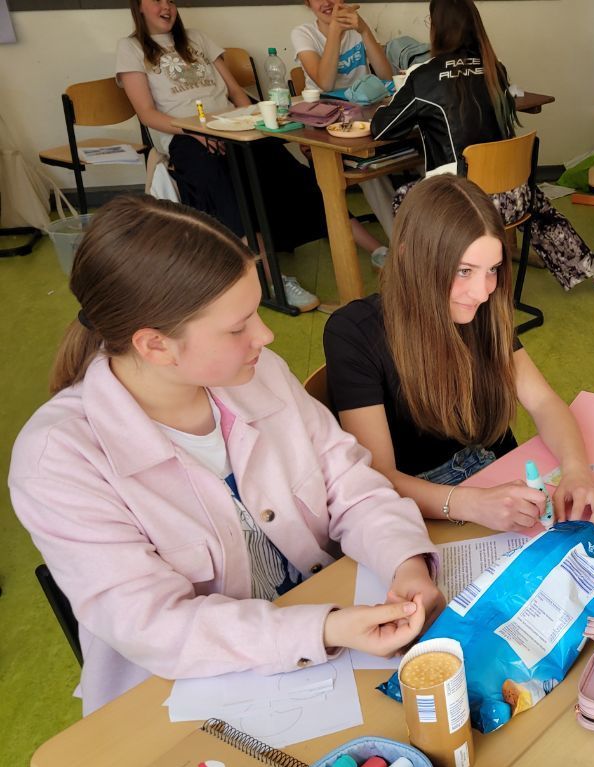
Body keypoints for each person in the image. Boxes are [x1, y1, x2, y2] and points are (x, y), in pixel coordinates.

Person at [9, 196, 446, 715]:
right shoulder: (58, 461)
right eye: (238, 327)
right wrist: (324, 628)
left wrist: (406, 563)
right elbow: (156, 625)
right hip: (189, 699)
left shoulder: (258, 373)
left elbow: (352, 484)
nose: (266, 335)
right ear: (155, 346)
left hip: (329, 644)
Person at [324, 174, 594, 532]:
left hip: (494, 474)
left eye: (492, 270)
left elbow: (543, 402)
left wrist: (576, 471)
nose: (481, 292)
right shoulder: (353, 332)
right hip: (421, 505)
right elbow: (378, 476)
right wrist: (471, 503)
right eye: (464, 271)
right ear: (408, 257)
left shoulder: (483, 312)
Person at [370, 0, 594, 295]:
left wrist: (387, 106)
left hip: (464, 205)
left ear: (436, 28)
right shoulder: (494, 68)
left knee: (404, 197)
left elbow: (382, 128)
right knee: (542, 210)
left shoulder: (424, 76)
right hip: (514, 198)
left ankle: (427, 284)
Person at [118, 0, 328, 311]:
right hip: (183, 135)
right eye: (157, 0)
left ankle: (348, 237)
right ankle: (268, 276)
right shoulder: (131, 48)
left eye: (170, 0)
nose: (166, 6)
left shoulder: (197, 38)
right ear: (139, 7)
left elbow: (236, 92)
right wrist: (195, 132)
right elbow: (147, 113)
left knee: (278, 160)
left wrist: (251, 122)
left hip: (229, 126)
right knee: (217, 179)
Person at [291, 0, 397, 267]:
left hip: (368, 118)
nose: (327, 2)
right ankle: (404, 247)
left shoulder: (357, 28)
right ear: (307, 3)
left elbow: (386, 76)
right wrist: (335, 33)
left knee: (417, 151)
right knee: (367, 168)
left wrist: (364, 31)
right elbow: (325, 83)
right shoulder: (303, 34)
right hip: (330, 125)